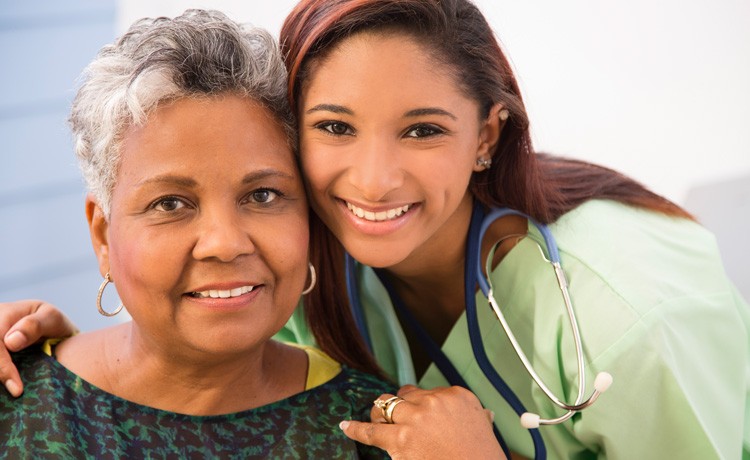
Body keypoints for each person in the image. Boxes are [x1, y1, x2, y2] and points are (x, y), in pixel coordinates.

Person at [2, 0, 749, 458]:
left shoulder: (635, 320)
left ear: (487, 136)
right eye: (335, 126)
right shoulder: (315, 266)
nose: (373, 179)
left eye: (422, 130)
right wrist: (64, 364)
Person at [0, 9, 395, 458]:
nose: (225, 243)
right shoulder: (16, 405)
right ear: (104, 236)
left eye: (262, 195)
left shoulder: (374, 431)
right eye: (170, 204)